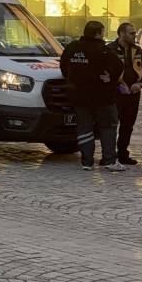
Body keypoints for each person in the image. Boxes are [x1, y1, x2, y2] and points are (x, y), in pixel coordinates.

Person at [60, 21, 124, 171]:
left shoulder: (72, 48)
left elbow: (63, 67)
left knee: (84, 128)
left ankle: (87, 162)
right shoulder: (103, 50)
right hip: (103, 97)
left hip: (79, 96)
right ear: (98, 33)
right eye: (102, 32)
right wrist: (111, 77)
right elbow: (118, 66)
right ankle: (109, 160)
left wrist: (73, 79)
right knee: (108, 127)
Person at [107, 22, 142, 165]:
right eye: (131, 33)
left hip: (133, 94)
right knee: (111, 125)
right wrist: (118, 85)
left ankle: (123, 154)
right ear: (122, 33)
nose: (134, 36)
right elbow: (104, 71)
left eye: (134, 33)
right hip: (114, 94)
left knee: (127, 125)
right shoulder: (110, 50)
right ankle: (109, 155)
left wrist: (140, 84)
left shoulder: (137, 50)